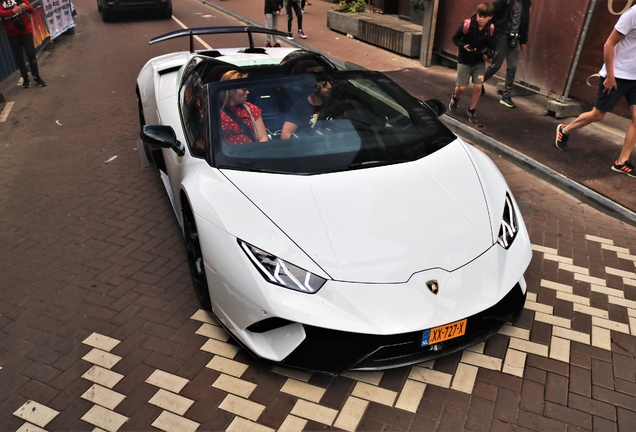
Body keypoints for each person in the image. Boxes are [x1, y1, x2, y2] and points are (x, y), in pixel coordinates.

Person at [555, 5, 636, 178]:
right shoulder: (632, 14)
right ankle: (565, 130)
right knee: (598, 115)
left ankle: (621, 162)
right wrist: (610, 76)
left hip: (634, 78)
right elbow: (609, 44)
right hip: (617, 75)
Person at [448, 3, 495, 124]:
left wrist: (489, 56)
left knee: (478, 86)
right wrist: (464, 46)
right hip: (464, 59)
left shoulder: (490, 28)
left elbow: (491, 46)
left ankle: (472, 109)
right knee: (462, 87)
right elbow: (455, 38)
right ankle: (455, 98)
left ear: (490, 17)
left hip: (478, 61)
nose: (481, 19)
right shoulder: (467, 24)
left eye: (484, 17)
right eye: (480, 15)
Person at [482, 0, 531, 108]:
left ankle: (506, 96)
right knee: (495, 65)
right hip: (502, 36)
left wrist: (523, 40)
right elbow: (489, 12)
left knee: (512, 67)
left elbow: (526, 21)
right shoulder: (505, 1)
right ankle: (478, 82)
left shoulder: (526, 3)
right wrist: (492, 31)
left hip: (516, 38)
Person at [0, 0, 46, 88]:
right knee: (19, 56)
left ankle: (36, 77)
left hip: (25, 29)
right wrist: (12, 11)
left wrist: (26, 7)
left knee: (31, 53)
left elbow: (31, 10)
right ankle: (25, 78)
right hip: (12, 32)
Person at [220, 71, 269, 145]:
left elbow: (263, 138)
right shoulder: (215, 112)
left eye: (247, 89)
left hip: (253, 154)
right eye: (244, 88)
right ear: (231, 89)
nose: (248, 92)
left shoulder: (251, 109)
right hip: (226, 155)